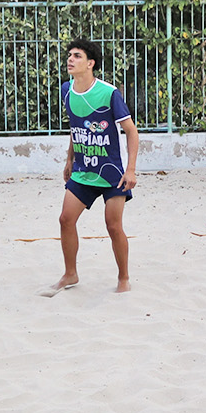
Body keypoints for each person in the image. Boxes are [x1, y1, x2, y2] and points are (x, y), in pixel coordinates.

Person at [46, 39, 139, 295]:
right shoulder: (67, 90)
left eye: (77, 56)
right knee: (65, 219)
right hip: (83, 169)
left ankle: (123, 278)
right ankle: (70, 274)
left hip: (111, 172)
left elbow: (131, 131)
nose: (70, 59)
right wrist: (69, 159)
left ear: (90, 63)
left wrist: (131, 170)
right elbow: (75, 127)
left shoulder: (109, 93)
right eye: (69, 55)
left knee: (113, 226)